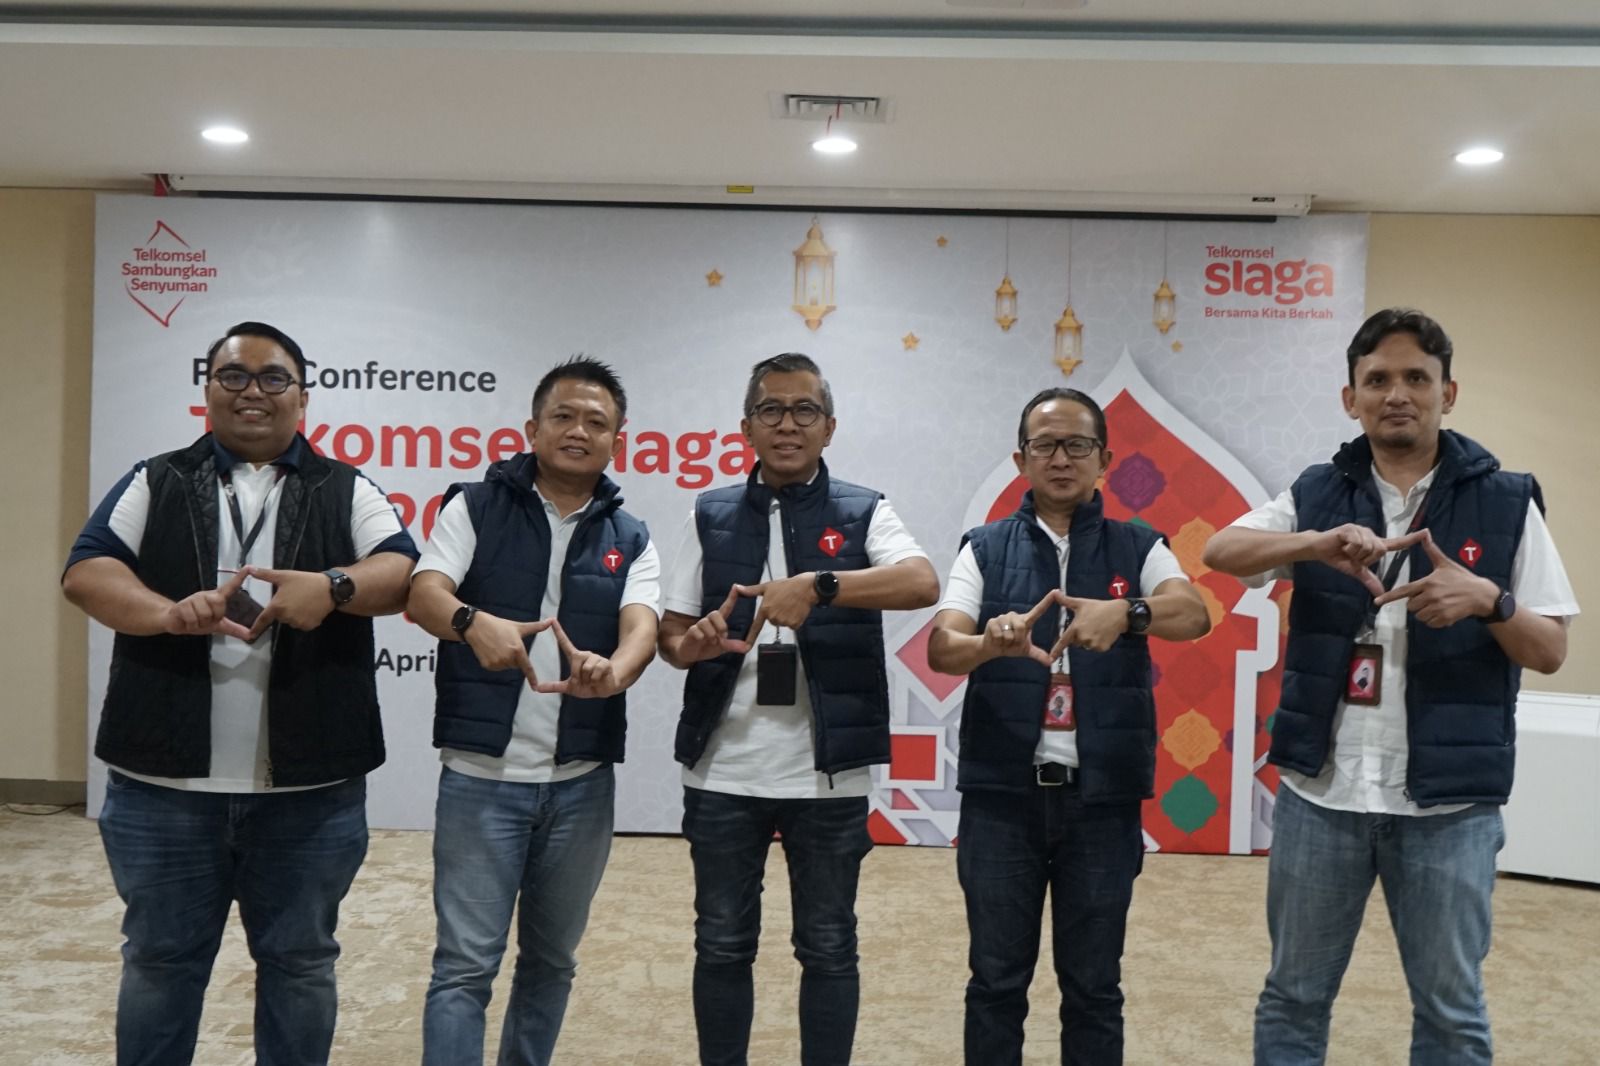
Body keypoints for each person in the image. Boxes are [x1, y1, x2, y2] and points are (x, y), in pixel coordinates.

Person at [1201, 308, 1579, 1065]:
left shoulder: (1507, 500)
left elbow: (1550, 651)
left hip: (1449, 810)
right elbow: (1220, 549)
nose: (1396, 394)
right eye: (1377, 380)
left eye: (1416, 378)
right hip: (1322, 797)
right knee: (1293, 998)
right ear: (1352, 399)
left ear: (1449, 392)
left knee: (1451, 1013)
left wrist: (1490, 600)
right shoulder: (1318, 491)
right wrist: (1314, 544)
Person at [62, 321, 418, 1066]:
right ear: (208, 391)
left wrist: (334, 586)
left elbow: (402, 573)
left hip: (309, 794)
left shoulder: (345, 486)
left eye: (273, 377)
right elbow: (88, 572)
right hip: (162, 788)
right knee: (159, 965)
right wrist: (167, 613)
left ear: (303, 397)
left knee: (301, 965)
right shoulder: (155, 479)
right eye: (233, 376)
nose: (253, 391)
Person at [657, 352, 940, 1066]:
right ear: (746, 427)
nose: (788, 424)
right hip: (723, 770)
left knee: (829, 945)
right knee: (721, 943)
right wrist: (691, 644)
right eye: (771, 410)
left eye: (804, 410)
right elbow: (671, 636)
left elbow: (921, 583)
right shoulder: (710, 512)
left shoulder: (863, 509)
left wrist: (821, 586)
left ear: (829, 427)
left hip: (827, 776)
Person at [927, 386, 1211, 1065]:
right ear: (1020, 459)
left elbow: (1193, 613)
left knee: (1094, 988)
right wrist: (989, 643)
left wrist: (1129, 613)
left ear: (1104, 460)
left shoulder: (1138, 545)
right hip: (1003, 799)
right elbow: (942, 648)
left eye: (1077, 445)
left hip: (1101, 802)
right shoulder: (984, 548)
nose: (1061, 459)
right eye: (1046, 445)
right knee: (995, 983)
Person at [408, 356, 661, 1066]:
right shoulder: (474, 506)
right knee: (464, 967)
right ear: (532, 428)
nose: (579, 431)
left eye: (596, 422)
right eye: (564, 416)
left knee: (552, 963)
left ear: (617, 441)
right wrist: (469, 622)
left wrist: (615, 670)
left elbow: (642, 628)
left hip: (581, 785)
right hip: (481, 781)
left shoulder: (631, 535)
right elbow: (424, 593)